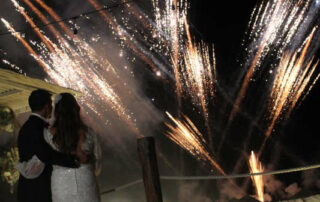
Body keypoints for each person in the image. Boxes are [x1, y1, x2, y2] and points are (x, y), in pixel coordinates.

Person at [16, 89, 80, 202]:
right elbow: (45, 154)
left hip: (28, 187)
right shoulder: (37, 128)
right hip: (38, 189)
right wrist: (74, 160)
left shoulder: (27, 126)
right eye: (50, 104)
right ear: (46, 106)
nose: (52, 108)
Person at [44, 93, 101, 202]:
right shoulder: (89, 132)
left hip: (61, 185)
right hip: (86, 182)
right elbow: (97, 162)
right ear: (76, 109)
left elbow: (45, 159)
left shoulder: (48, 134)